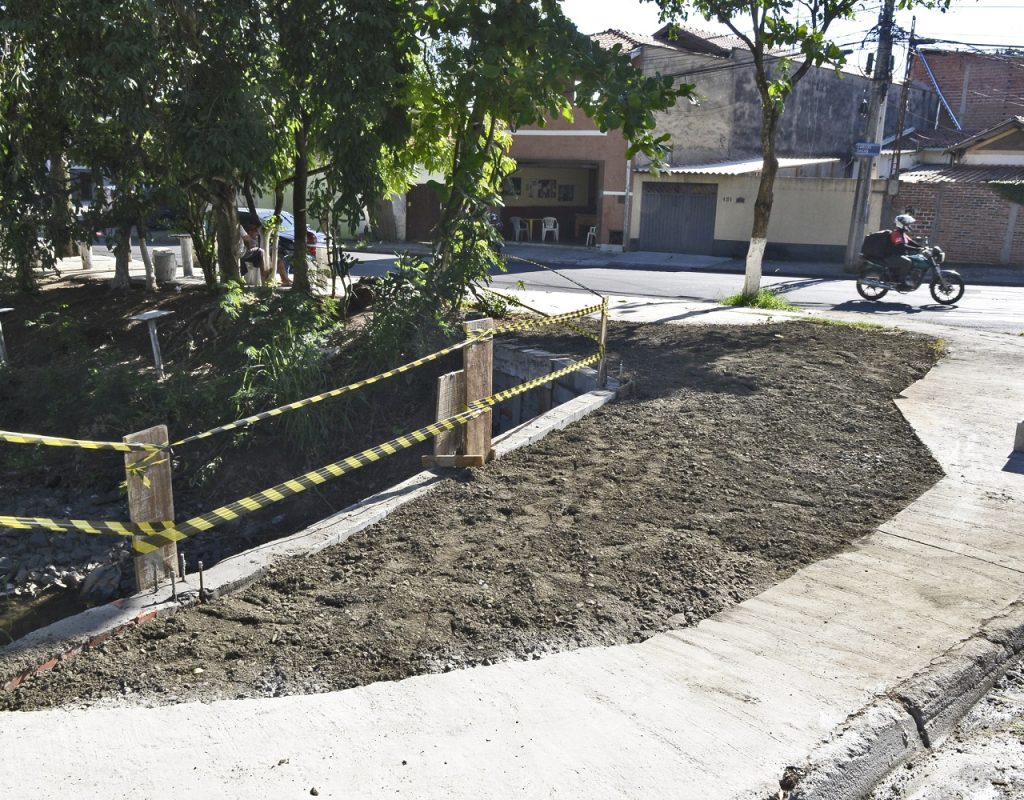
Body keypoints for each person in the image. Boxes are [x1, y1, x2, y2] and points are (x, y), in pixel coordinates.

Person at [886, 213, 922, 286]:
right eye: (906, 224)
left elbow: (911, 242)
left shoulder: (903, 234)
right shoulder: (896, 234)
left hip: (899, 255)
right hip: (892, 256)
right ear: (901, 224)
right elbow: (901, 246)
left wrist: (921, 247)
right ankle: (901, 281)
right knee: (907, 262)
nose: (908, 226)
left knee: (914, 260)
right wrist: (916, 249)